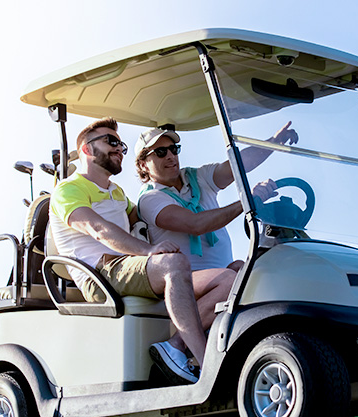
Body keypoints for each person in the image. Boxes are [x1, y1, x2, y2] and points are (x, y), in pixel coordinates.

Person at [48, 117, 233, 385]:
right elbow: (98, 229)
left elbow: (146, 218)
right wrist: (150, 250)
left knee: (229, 279)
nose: (118, 149)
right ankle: (207, 366)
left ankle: (179, 348)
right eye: (110, 141)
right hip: (99, 274)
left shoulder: (116, 192)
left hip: (127, 270)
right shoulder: (68, 189)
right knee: (172, 264)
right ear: (86, 149)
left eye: (120, 144)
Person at [135, 123, 298, 272]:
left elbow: (238, 165)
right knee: (240, 275)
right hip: (187, 284)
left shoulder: (196, 177)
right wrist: (247, 200)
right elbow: (195, 224)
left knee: (260, 270)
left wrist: (274, 142)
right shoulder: (150, 198)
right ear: (143, 164)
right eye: (161, 152)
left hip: (226, 275)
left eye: (174, 149)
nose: (170, 156)